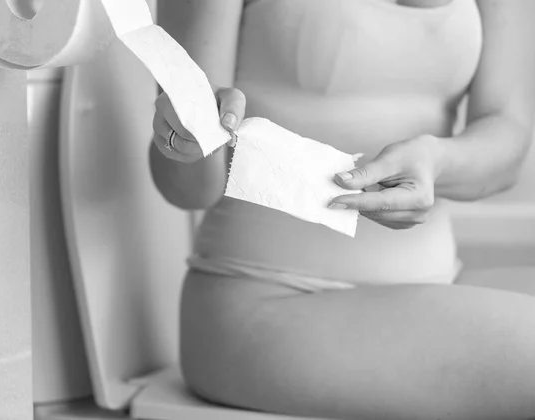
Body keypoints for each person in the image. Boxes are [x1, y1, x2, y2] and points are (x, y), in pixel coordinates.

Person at [149, 0, 535, 418]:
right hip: (264, 303)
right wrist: (192, 135)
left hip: (437, 287)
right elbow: (185, 191)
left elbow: (506, 140)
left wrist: (438, 162)